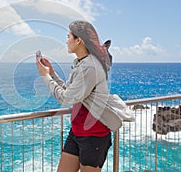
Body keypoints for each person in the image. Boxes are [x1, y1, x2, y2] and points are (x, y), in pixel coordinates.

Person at [36, 20, 134, 172]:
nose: (66, 41)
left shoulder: (90, 66)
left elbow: (65, 98)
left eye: (69, 36)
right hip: (77, 131)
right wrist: (52, 73)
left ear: (79, 40)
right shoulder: (80, 63)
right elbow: (69, 91)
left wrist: (45, 77)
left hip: (93, 134)